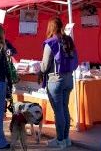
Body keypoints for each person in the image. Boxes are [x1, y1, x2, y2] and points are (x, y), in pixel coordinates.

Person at [41, 17, 78, 149]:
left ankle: (60, 140)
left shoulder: (50, 42)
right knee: (65, 109)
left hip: (55, 80)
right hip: (69, 79)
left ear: (50, 28)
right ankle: (66, 139)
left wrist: (39, 67)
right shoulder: (68, 40)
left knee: (59, 112)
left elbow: (45, 66)